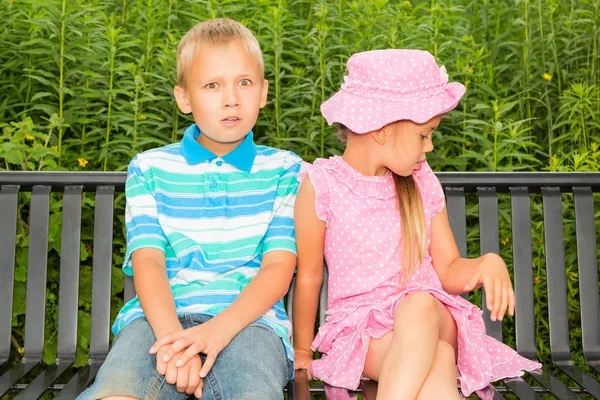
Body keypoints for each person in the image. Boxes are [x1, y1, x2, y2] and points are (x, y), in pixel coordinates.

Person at [292, 49, 541, 400]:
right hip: (363, 334)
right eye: (424, 134)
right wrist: (302, 351)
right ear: (382, 129)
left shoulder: (421, 182)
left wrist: (487, 263)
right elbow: (309, 276)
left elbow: (450, 269)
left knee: (419, 305)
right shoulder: (323, 186)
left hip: (435, 317)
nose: (431, 146)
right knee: (436, 362)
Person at [78, 18, 301, 400]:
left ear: (264, 92)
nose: (231, 98)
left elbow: (278, 266)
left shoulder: (285, 169)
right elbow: (148, 261)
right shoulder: (149, 168)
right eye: (212, 85)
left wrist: (217, 330)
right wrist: (171, 343)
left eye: (244, 82)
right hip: (156, 322)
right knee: (117, 393)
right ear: (184, 99)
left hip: (250, 323)